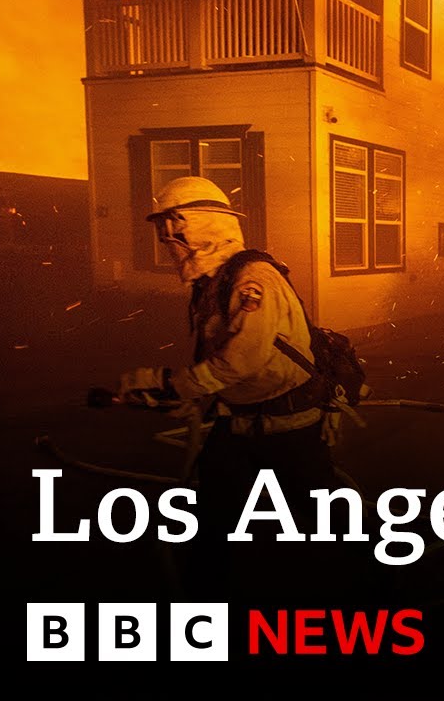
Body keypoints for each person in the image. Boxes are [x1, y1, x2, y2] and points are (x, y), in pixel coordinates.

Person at [119, 176, 348, 601]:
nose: (169, 239)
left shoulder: (252, 280)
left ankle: (342, 613)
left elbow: (240, 361)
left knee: (318, 533)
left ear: (205, 225)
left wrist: (168, 384)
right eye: (164, 229)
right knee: (213, 524)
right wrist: (191, 397)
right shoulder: (213, 283)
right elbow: (218, 359)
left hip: (290, 431)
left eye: (176, 227)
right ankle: (206, 617)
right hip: (238, 426)